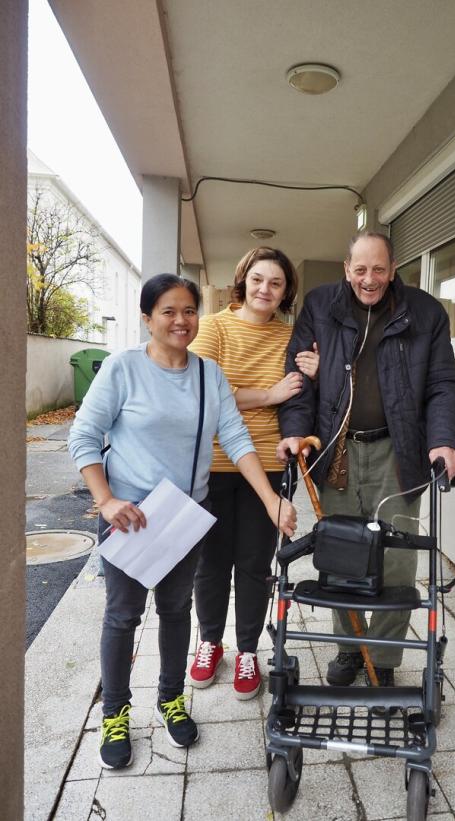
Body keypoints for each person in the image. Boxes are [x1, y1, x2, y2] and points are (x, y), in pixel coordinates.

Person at [68, 273, 296, 770]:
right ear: (147, 319)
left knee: (176, 612)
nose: (180, 320)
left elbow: (237, 441)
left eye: (188, 310)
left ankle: (170, 699)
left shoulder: (208, 375)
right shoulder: (122, 369)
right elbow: (84, 436)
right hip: (130, 516)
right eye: (168, 311)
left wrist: (272, 501)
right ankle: (114, 714)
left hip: (182, 517)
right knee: (123, 616)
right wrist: (105, 501)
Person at [277, 232, 455, 690]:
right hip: (336, 450)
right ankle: (349, 649)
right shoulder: (321, 307)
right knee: (342, 555)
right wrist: (295, 433)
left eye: (378, 269)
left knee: (397, 561)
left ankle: (382, 656)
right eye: (360, 270)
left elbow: (443, 383)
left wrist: (445, 440)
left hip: (398, 452)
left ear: (393, 267)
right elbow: (297, 380)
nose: (369, 280)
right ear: (346, 268)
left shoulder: (424, 312)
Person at [188, 247, 318, 699]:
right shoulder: (214, 327)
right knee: (210, 561)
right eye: (258, 279)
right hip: (214, 462)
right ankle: (208, 643)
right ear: (243, 281)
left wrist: (314, 374)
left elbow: (302, 395)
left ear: (286, 292)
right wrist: (268, 395)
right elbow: (202, 391)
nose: (265, 289)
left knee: (254, 562)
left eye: (276, 283)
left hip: (270, 463)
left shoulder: (291, 336)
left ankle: (246, 651)